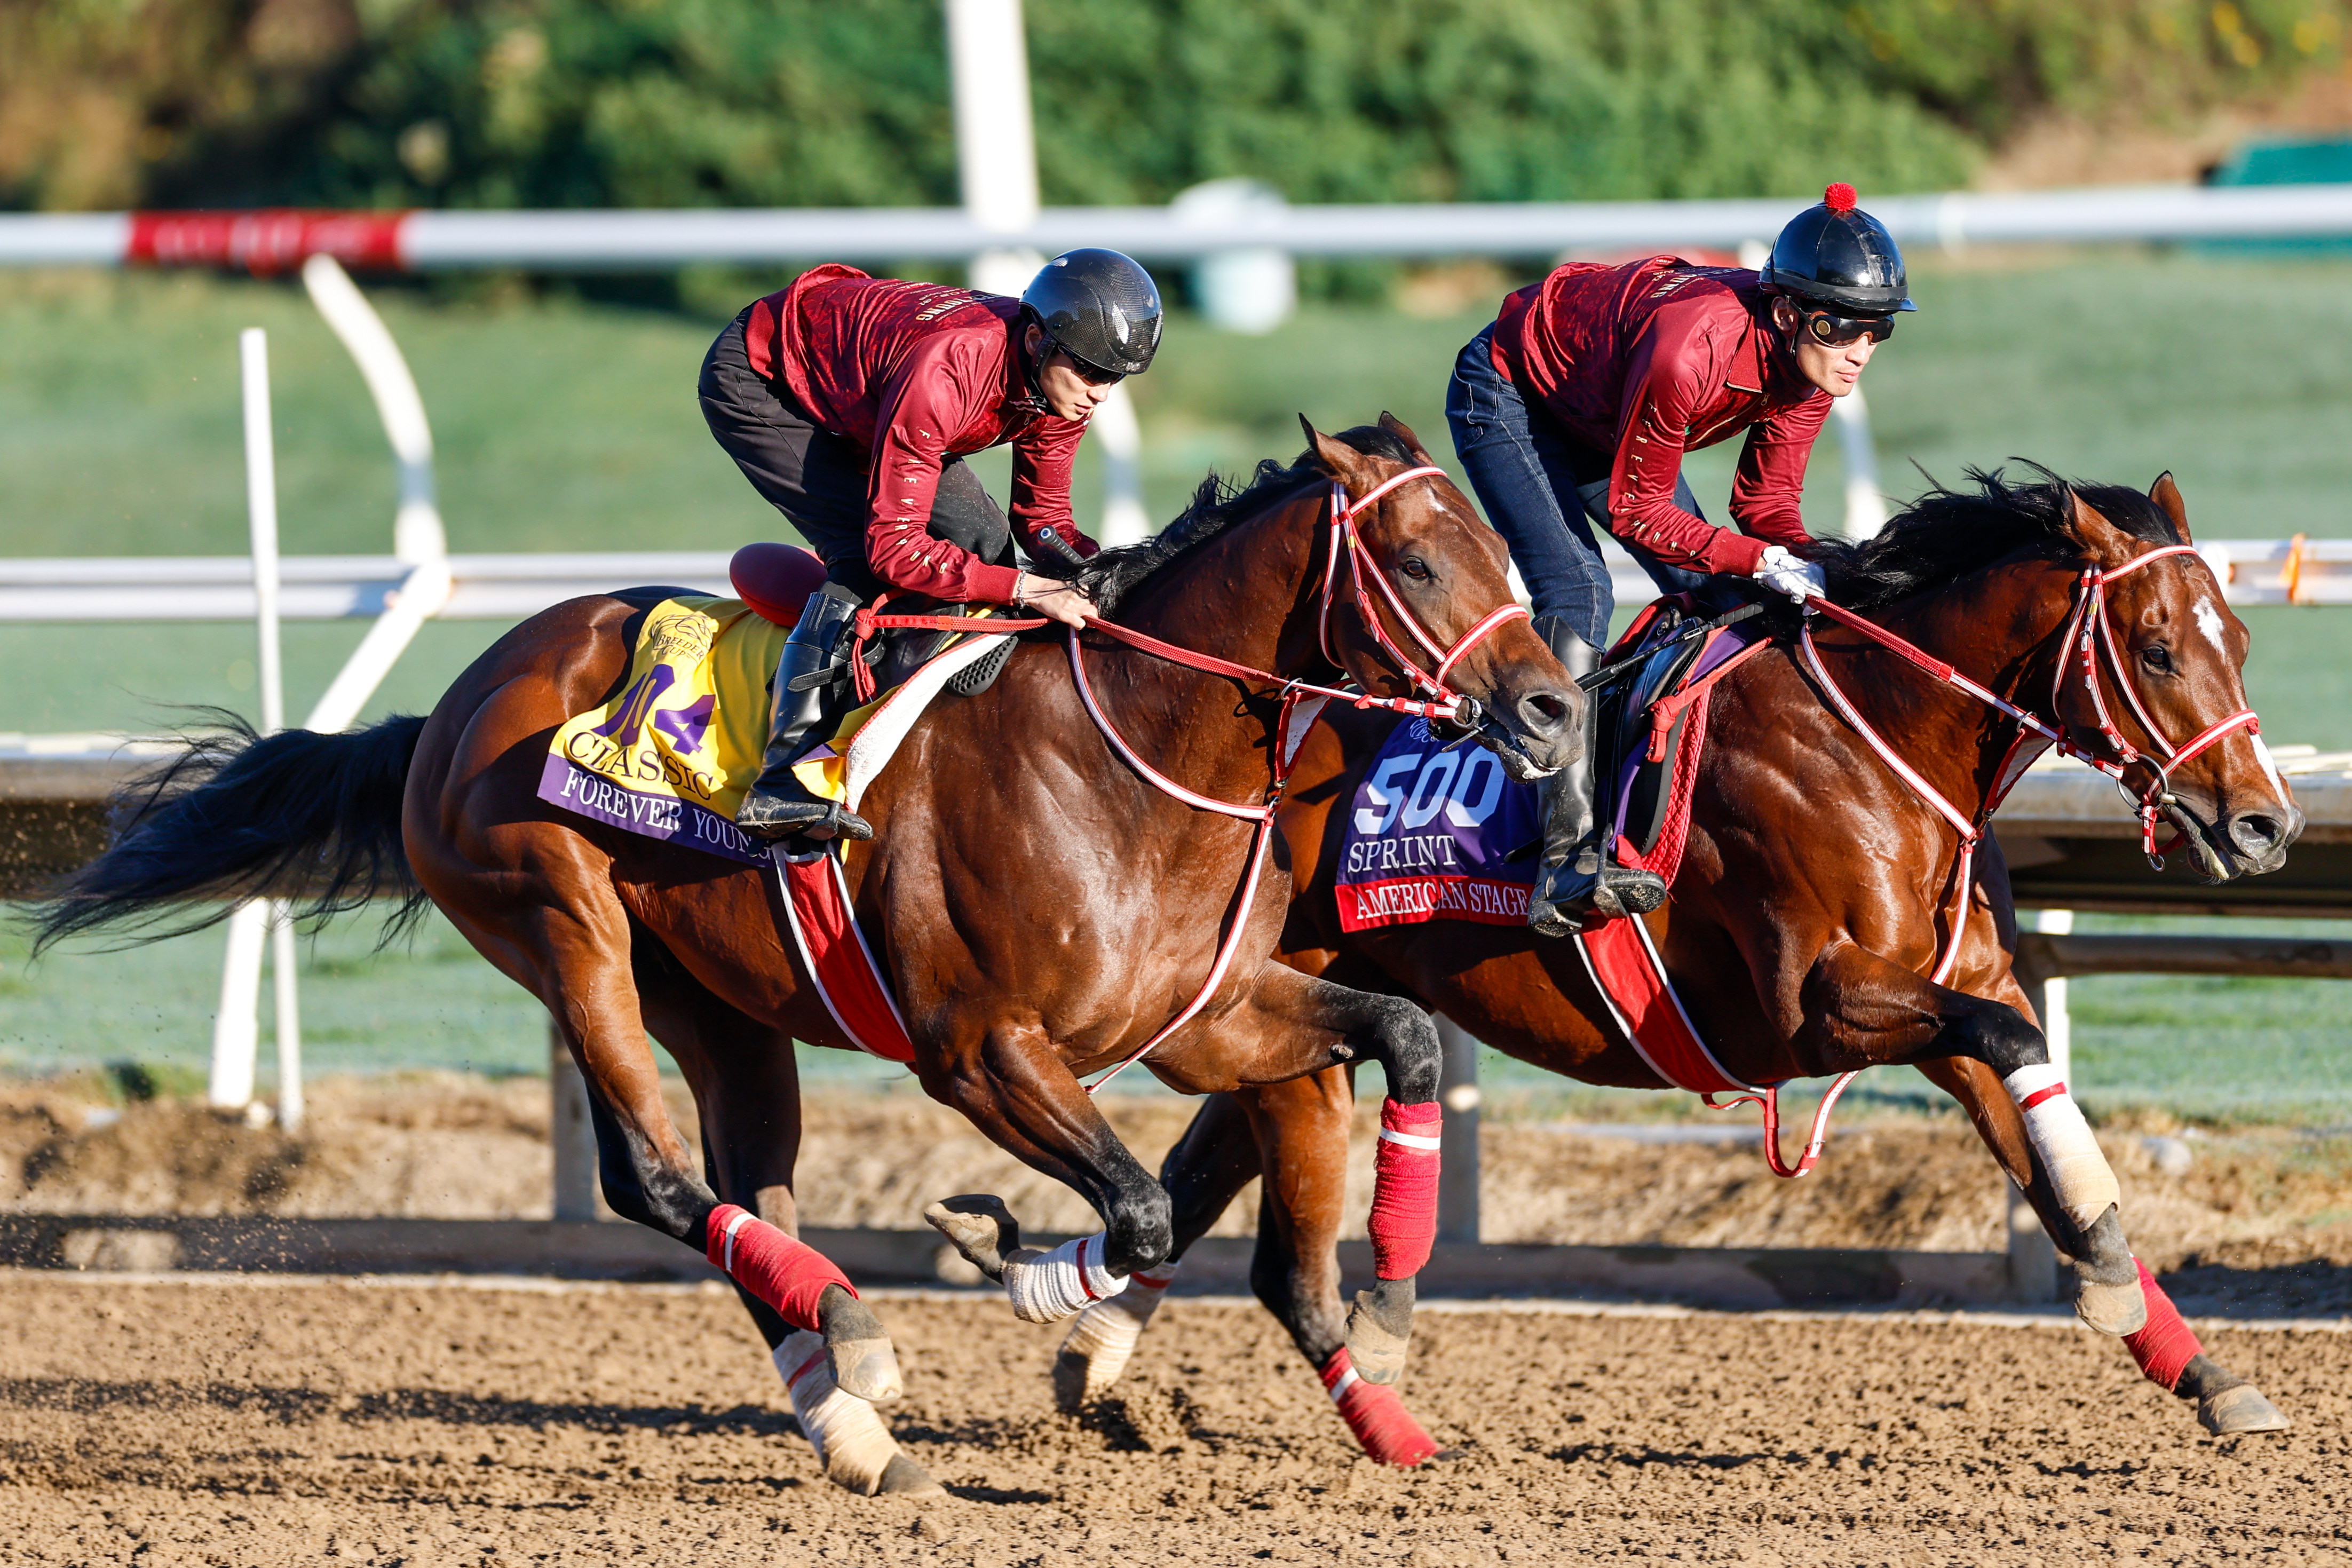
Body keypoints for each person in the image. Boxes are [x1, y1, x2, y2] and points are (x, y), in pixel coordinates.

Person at [1443, 181, 1912, 935]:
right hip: (1510, 394)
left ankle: (1686, 810)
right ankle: (1564, 855)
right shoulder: (1689, 351)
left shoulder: (1813, 367)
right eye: (1841, 328)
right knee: (1579, 589)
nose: (1858, 351)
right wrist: (1762, 560)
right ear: (1787, 311)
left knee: (1722, 596)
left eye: (1876, 332)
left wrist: (1828, 564)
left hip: (1600, 409)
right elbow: (1637, 511)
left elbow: (1763, 510)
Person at [700, 248, 1162, 842]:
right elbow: (896, 548)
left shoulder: (1062, 380)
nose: (1100, 394)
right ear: (1036, 342)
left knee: (985, 543)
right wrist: (1026, 587)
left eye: (1115, 377)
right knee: (863, 558)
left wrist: (1108, 578)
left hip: (873, 388)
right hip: (765, 382)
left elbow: (1041, 518)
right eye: (1092, 372)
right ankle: (781, 781)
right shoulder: (953, 371)